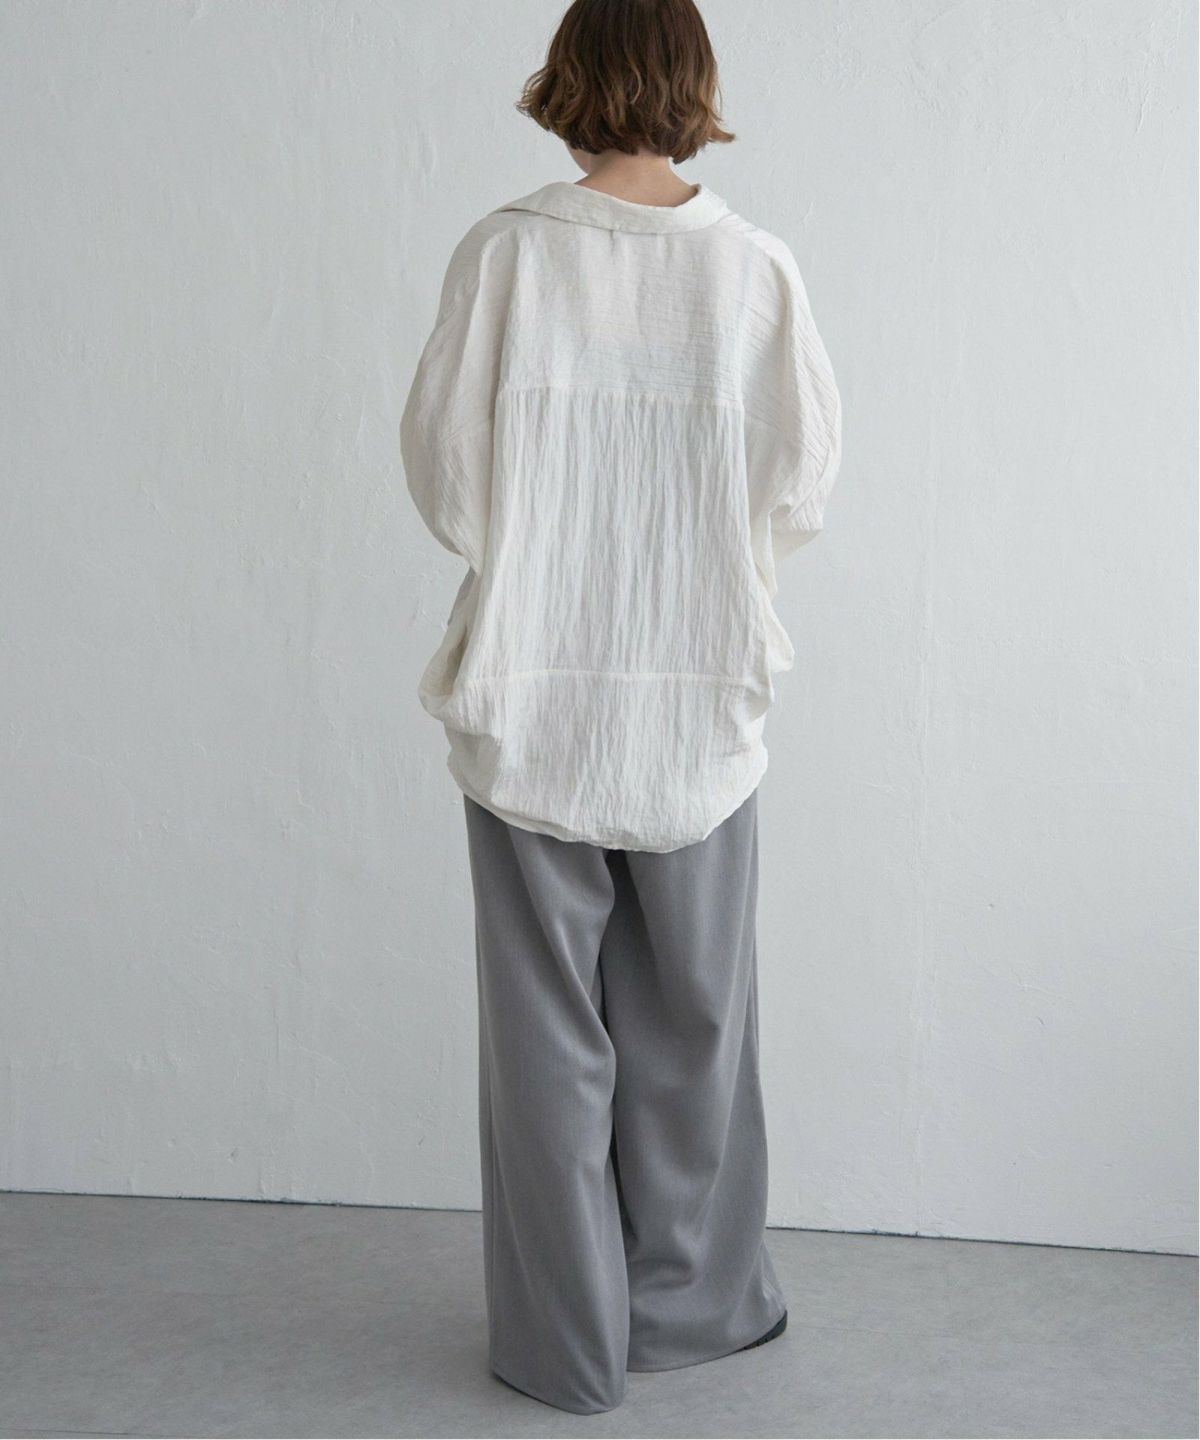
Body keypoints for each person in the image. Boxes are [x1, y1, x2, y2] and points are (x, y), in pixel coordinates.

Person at [400, 0, 842, 1415]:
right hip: (698, 696)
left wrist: (541, 562)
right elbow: (800, 490)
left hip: (532, 692)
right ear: (694, 83)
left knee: (548, 1043)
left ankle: (562, 1345)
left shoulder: (505, 254)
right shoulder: (754, 270)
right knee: (695, 1026)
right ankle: (692, 1308)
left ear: (569, 78)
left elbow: (448, 482)